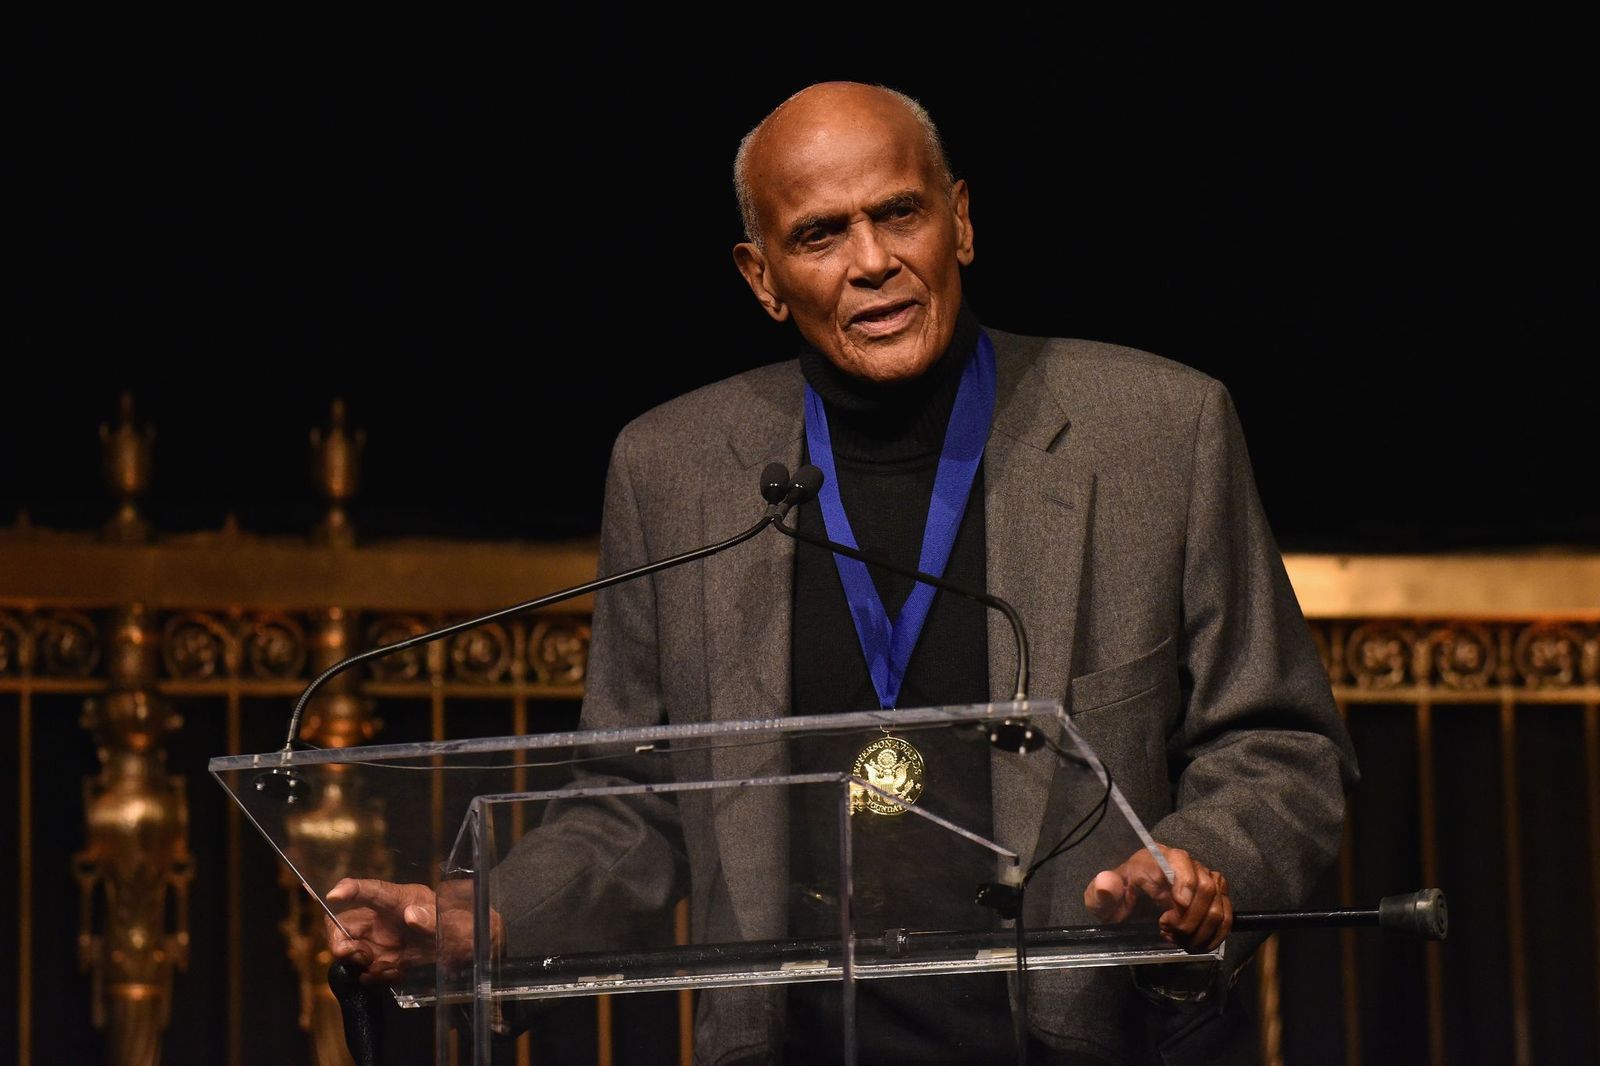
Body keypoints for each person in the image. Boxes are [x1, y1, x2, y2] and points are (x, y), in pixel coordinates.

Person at [328, 81, 1357, 1065]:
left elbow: (1277, 746)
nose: (871, 261)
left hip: (1081, 1036)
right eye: (820, 234)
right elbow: (634, 798)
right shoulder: (675, 469)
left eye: (898, 214)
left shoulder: (1158, 432)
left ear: (958, 221)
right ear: (761, 276)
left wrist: (1192, 861)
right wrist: (495, 912)